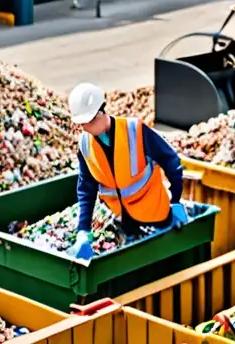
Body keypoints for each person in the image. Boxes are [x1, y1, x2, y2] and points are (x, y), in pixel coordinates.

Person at [69, 82, 186, 257]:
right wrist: (83, 230)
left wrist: (175, 199)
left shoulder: (134, 130)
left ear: (102, 112)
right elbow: (87, 187)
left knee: (166, 258)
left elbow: (171, 161)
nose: (87, 127)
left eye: (90, 121)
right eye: (83, 124)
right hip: (125, 221)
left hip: (156, 214)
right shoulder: (86, 145)